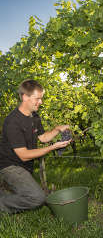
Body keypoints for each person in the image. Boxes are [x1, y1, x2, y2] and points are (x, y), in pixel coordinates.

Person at [0, 79, 72, 214]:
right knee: (36, 198)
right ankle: (2, 204)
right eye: (37, 98)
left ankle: (5, 198)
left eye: (41, 98)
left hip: (23, 165)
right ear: (25, 97)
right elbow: (24, 155)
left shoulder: (34, 116)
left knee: (31, 194)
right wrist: (52, 148)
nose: (41, 102)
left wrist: (57, 129)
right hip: (9, 165)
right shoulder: (12, 122)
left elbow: (43, 138)